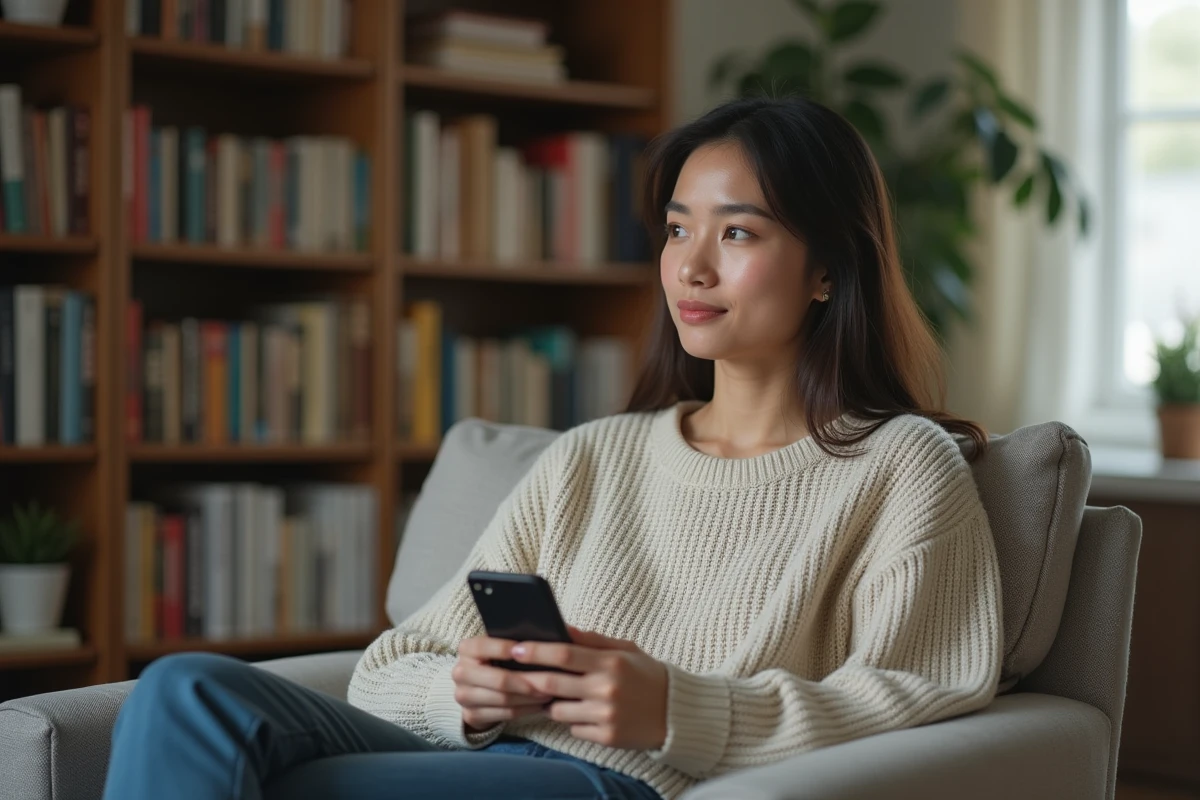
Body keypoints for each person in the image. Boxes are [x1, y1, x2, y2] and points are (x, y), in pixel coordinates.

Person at [102, 95, 1002, 800]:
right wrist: (468, 691)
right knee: (183, 691)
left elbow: (923, 691)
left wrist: (677, 709)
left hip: (616, 782)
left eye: (737, 232)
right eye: (678, 228)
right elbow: (389, 670)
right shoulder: (593, 456)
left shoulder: (900, 465)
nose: (691, 267)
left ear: (828, 270)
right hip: (481, 757)